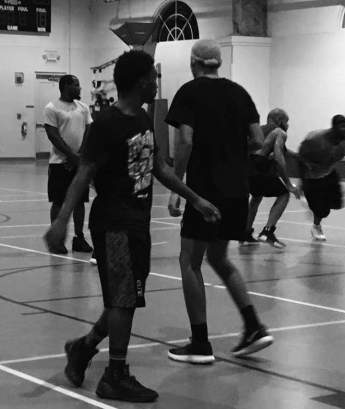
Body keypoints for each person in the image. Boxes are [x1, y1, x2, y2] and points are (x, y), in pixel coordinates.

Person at [44, 50, 220, 403]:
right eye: (153, 78)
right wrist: (62, 221)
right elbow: (84, 174)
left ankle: (83, 348)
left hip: (138, 223)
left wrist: (195, 198)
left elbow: (160, 169)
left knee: (126, 298)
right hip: (114, 224)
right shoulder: (105, 125)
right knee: (123, 299)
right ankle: (115, 375)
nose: (156, 83)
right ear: (141, 81)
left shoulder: (142, 118)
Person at [166, 39, 274, 364]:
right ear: (218, 64)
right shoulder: (239, 93)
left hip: (205, 190)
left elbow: (185, 140)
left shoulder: (189, 92)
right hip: (237, 191)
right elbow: (258, 140)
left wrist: (177, 186)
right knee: (219, 258)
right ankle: (254, 326)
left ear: (193, 63)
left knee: (189, 260)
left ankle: (200, 343)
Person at [44, 75, 93, 255]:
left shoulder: (83, 108)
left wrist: (80, 156)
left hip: (79, 162)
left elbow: (89, 131)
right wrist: (71, 156)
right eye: (76, 85)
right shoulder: (51, 108)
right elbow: (52, 135)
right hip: (59, 164)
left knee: (80, 202)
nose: (80, 88)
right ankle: (57, 241)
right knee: (58, 202)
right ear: (65, 86)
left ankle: (79, 238)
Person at [241, 108, 300, 247]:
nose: (288, 125)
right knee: (284, 194)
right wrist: (289, 184)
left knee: (256, 196)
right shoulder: (280, 132)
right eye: (287, 121)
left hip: (245, 167)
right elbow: (279, 157)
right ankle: (267, 231)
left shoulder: (258, 130)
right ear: (280, 121)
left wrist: (298, 156)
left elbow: (281, 150)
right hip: (259, 165)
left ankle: (245, 233)